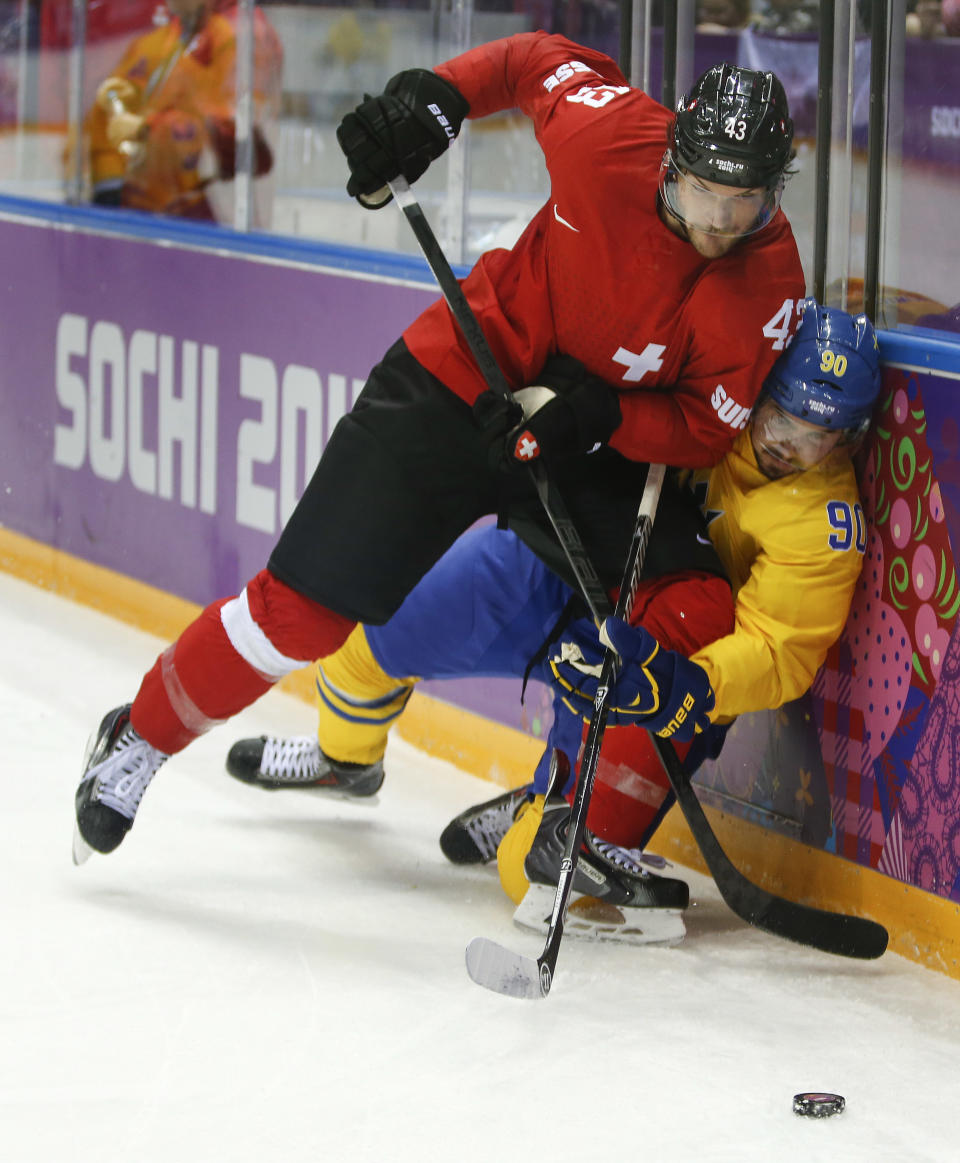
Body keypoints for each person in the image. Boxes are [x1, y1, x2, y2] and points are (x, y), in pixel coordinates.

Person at [72, 33, 804, 866]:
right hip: (467, 373)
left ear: (773, 192)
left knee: (695, 608)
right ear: (673, 157)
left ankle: (569, 824)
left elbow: (706, 426)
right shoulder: (609, 139)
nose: (718, 218)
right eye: (705, 189)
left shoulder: (770, 285)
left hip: (591, 440)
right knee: (301, 610)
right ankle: (141, 734)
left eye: (743, 202)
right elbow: (534, 61)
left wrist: (602, 416)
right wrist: (441, 97)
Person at [225, 301, 882, 940]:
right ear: (757, 383)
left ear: (846, 438)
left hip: (658, 655)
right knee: (367, 639)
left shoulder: (823, 524)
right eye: (779, 418)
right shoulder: (709, 388)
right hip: (558, 567)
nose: (785, 446)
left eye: (814, 436)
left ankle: (542, 802)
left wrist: (685, 684)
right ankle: (345, 761)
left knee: (532, 874)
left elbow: (780, 651)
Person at [83, 0, 276, 221]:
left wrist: (147, 128)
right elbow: (113, 101)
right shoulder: (165, 39)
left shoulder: (237, 33)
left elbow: (234, 123)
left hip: (201, 194)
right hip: (150, 192)